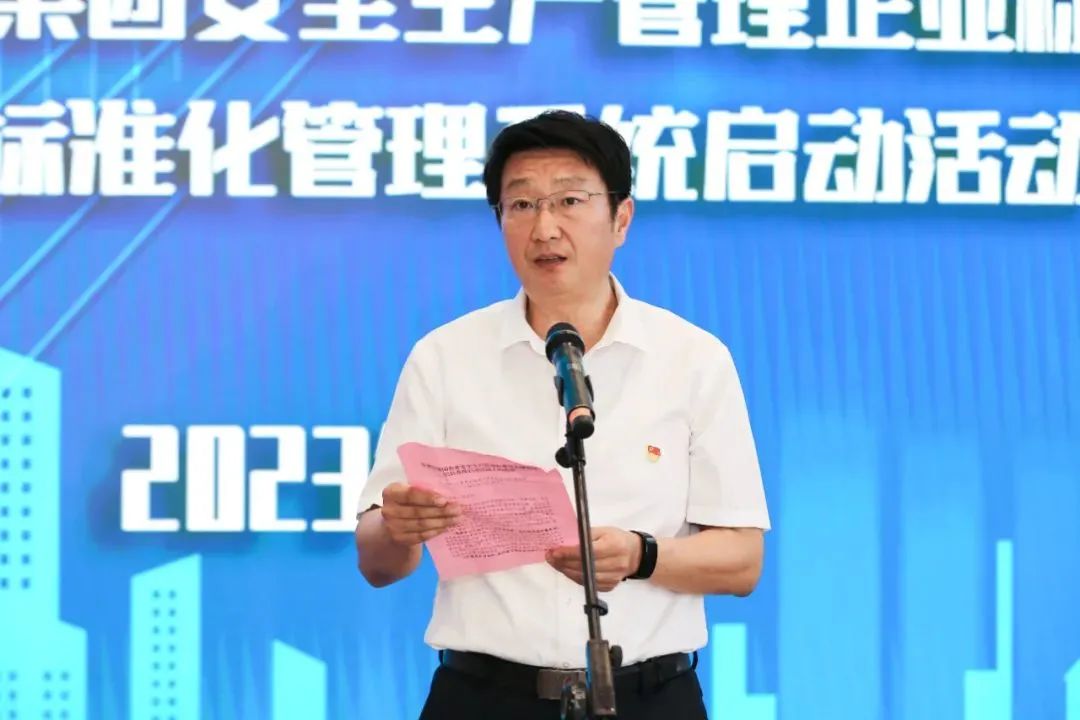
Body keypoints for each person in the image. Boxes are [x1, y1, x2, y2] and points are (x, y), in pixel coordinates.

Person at [354, 110, 770, 720]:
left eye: (570, 201)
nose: (544, 227)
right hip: (483, 698)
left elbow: (741, 560)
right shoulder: (444, 357)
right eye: (521, 205)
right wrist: (398, 526)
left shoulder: (693, 359)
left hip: (649, 697)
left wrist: (642, 556)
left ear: (621, 218)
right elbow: (377, 562)